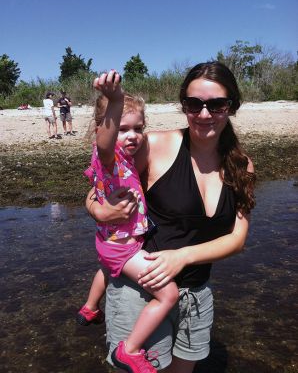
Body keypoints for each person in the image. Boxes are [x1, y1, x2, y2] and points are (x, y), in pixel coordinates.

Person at [87, 62, 256, 372]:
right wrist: (96, 209)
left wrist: (182, 256)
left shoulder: (241, 165)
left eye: (217, 104)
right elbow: (105, 178)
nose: (205, 114)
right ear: (184, 106)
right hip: (140, 289)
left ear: (232, 106)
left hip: (197, 295)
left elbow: (237, 239)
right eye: (195, 104)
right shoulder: (152, 145)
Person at [80, 71, 179, 373]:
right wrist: (116, 100)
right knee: (169, 294)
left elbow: (93, 190)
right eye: (123, 129)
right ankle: (130, 349)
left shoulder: (121, 161)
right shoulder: (108, 158)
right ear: (103, 130)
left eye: (138, 128)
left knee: (105, 269)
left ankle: (89, 308)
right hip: (122, 248)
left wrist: (95, 207)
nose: (132, 135)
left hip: (111, 244)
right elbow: (106, 143)